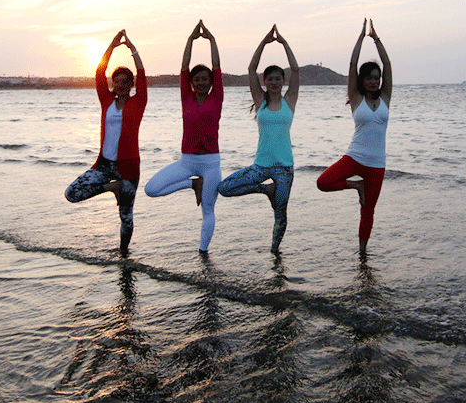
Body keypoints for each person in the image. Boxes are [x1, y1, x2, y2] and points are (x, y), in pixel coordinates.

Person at [218, 25, 300, 253]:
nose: (274, 82)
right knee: (224, 188)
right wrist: (264, 42)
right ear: (265, 82)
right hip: (260, 167)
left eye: (277, 79)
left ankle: (275, 253)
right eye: (270, 79)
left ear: (283, 81)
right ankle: (267, 191)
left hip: (284, 168)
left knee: (281, 214)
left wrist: (283, 43)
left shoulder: (289, 100)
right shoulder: (260, 100)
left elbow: (295, 69)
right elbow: (251, 68)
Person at [65, 30, 147, 254]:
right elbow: (100, 71)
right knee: (72, 193)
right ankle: (112, 188)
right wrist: (112, 45)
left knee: (126, 217)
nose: (120, 84)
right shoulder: (106, 100)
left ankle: (123, 255)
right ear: (113, 83)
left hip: (129, 167)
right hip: (104, 165)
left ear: (131, 84)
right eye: (117, 81)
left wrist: (132, 49)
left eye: (125, 81)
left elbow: (142, 72)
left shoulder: (138, 102)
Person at [145, 20, 223, 253]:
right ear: (190, 83)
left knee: (208, 211)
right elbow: (183, 67)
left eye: (205, 79)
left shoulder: (216, 98)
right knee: (151, 189)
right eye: (196, 79)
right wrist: (190, 40)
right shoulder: (186, 98)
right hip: (187, 161)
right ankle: (192, 184)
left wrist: (211, 40)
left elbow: (217, 66)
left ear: (211, 83)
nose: (201, 82)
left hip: (211, 162)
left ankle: (203, 254)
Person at [316, 19, 391, 255]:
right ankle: (355, 186)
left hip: (377, 164)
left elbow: (387, 64)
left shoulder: (386, 97)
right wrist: (360, 38)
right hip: (355, 156)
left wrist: (376, 40)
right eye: (369, 77)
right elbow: (352, 64)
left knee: (368, 212)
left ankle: (362, 255)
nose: (374, 81)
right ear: (362, 80)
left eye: (376, 77)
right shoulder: (356, 99)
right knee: (323, 182)